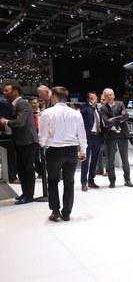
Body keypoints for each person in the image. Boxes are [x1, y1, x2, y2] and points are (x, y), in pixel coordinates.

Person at [39, 87, 87, 221]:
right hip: (71, 150)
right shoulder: (76, 113)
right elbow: (82, 134)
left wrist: (42, 145)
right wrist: (83, 150)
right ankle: (66, 213)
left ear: (54, 96)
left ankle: (55, 211)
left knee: (53, 181)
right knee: (69, 182)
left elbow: (42, 135)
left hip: (54, 150)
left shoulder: (47, 113)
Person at [0, 82, 38, 204]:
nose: (4, 93)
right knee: (21, 169)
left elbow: (20, 122)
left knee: (27, 169)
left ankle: (29, 196)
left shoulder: (22, 103)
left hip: (27, 141)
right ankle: (25, 193)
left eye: (7, 90)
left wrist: (6, 121)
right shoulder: (15, 104)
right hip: (20, 141)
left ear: (15, 91)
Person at [101, 88, 133, 188]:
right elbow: (107, 122)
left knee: (125, 159)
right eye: (107, 95)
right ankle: (112, 181)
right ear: (104, 97)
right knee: (110, 160)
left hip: (123, 135)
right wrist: (119, 118)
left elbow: (126, 116)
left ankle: (127, 180)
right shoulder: (103, 108)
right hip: (111, 136)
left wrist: (113, 119)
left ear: (114, 95)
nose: (109, 97)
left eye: (111, 94)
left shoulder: (120, 104)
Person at [79, 92, 105, 191]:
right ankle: (83, 182)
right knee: (85, 161)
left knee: (94, 160)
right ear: (89, 99)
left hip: (97, 137)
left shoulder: (97, 109)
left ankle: (91, 180)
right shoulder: (85, 108)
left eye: (95, 97)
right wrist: (90, 105)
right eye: (93, 98)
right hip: (88, 137)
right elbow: (82, 114)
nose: (95, 99)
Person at [0, 95, 18, 183]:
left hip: (7, 131)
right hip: (8, 132)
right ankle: (12, 176)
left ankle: (12, 176)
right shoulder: (5, 101)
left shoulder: (3, 102)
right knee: (11, 156)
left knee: (11, 155)